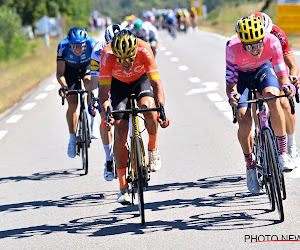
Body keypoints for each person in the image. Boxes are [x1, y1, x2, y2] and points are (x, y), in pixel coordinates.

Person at [99, 30, 170, 205]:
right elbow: (103, 92)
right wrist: (106, 113)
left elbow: (156, 84)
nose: (126, 64)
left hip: (141, 81)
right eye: (121, 60)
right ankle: (123, 187)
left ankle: (153, 149)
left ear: (135, 51)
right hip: (118, 86)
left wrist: (161, 109)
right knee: (121, 129)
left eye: (130, 59)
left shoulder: (144, 49)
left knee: (148, 108)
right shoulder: (107, 55)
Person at [226, 18, 295, 193]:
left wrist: (287, 85)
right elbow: (231, 83)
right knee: (244, 120)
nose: (255, 50)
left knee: (274, 97)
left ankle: (282, 152)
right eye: (249, 46)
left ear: (264, 38)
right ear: (241, 43)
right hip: (242, 78)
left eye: (258, 44)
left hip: (263, 71)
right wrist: (232, 95)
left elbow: (281, 74)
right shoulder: (232, 48)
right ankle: (250, 166)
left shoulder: (272, 42)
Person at [250, 12, 300, 168]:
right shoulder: (247, 37)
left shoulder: (278, 34)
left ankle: (291, 147)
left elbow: (292, 65)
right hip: (257, 68)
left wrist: (293, 79)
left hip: (276, 66)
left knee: (285, 103)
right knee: (256, 97)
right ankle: (260, 132)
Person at [89, 24, 122, 181]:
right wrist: (93, 99)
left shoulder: (127, 43)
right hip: (105, 81)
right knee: (106, 120)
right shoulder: (98, 50)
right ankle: (109, 160)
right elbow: (94, 81)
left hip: (122, 79)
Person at [57, 27, 96, 158]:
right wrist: (64, 86)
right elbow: (60, 73)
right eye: (74, 46)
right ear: (69, 43)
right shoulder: (62, 46)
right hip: (70, 71)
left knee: (88, 82)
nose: (78, 49)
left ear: (86, 43)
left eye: (81, 46)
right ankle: (72, 139)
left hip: (87, 67)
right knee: (73, 103)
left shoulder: (92, 44)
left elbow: (98, 67)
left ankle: (92, 120)